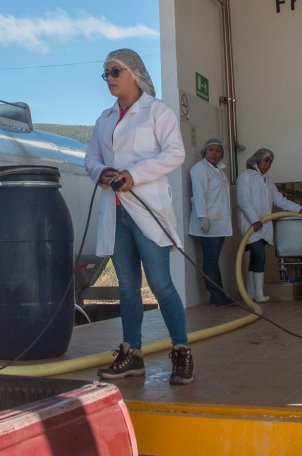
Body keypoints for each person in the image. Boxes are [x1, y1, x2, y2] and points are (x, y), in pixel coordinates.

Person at [84, 49, 193, 385]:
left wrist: (135, 174)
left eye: (115, 71)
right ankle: (132, 355)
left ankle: (181, 352)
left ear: (134, 72)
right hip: (115, 212)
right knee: (128, 288)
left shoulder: (156, 112)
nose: (110, 79)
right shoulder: (103, 119)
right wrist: (102, 172)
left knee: (160, 285)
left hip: (147, 209)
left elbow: (175, 152)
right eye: (106, 74)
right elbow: (90, 158)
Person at [236, 148, 302, 303]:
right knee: (260, 254)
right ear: (257, 161)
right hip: (251, 225)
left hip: (264, 225)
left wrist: (299, 209)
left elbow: (279, 200)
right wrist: (255, 220)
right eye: (266, 161)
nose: (268, 164)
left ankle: (251, 292)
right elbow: (244, 201)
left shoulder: (268, 181)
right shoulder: (245, 177)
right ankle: (259, 293)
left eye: (270, 162)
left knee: (255, 257)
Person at [188, 138, 236, 307]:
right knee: (210, 260)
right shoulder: (199, 169)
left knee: (213, 260)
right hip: (207, 223)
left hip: (219, 224)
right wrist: (203, 217)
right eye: (211, 150)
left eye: (218, 151)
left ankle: (217, 296)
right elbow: (199, 193)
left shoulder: (219, 170)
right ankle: (217, 297)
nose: (214, 153)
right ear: (204, 151)